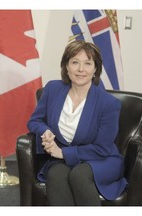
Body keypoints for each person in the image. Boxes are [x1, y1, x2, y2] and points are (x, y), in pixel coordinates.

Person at [27, 40, 128, 206]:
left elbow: (102, 148)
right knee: (55, 174)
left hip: (101, 159)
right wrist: (45, 131)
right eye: (75, 62)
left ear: (95, 69)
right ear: (66, 67)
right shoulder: (53, 89)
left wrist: (63, 153)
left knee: (79, 175)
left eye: (88, 63)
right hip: (62, 159)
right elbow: (35, 120)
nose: (81, 69)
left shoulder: (108, 104)